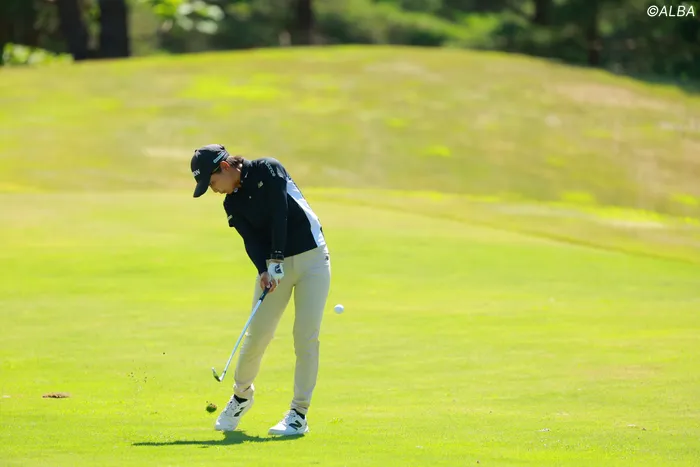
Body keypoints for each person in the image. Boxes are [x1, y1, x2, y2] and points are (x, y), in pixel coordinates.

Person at [190, 144, 331, 437]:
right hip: (275, 269)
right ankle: (241, 396)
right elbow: (251, 240)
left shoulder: (268, 168)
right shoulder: (231, 204)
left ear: (225, 167)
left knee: (305, 338)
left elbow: (281, 211)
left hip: (313, 261)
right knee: (257, 336)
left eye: (212, 182)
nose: (214, 190)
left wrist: (276, 256)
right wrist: (263, 270)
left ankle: (298, 414)